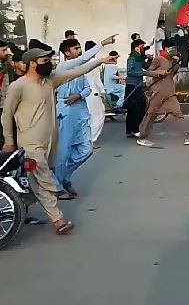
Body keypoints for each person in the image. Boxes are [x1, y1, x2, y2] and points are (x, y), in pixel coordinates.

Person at [3, 47, 117, 235]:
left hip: (50, 141)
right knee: (44, 178)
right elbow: (6, 116)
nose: (48, 63)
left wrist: (100, 61)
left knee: (35, 181)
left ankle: (22, 209)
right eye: (43, 60)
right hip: (30, 143)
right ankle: (58, 218)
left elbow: (76, 71)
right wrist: (9, 141)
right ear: (32, 63)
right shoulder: (19, 86)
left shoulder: (50, 81)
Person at [53, 35, 116, 198]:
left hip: (80, 110)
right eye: (75, 48)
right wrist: (102, 43)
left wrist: (79, 95)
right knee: (63, 151)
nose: (79, 51)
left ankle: (63, 177)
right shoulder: (63, 67)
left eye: (79, 47)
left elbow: (87, 89)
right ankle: (57, 185)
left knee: (86, 149)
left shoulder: (80, 72)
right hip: (65, 111)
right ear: (67, 53)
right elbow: (84, 60)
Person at [136, 43, 189, 148]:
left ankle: (187, 137)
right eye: (172, 48)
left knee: (177, 113)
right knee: (151, 114)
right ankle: (142, 137)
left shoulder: (171, 60)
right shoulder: (158, 59)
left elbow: (172, 74)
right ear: (166, 48)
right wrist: (160, 72)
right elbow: (148, 72)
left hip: (169, 92)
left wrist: (177, 62)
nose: (174, 50)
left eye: (175, 48)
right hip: (158, 92)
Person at [124, 38, 152, 138]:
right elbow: (130, 71)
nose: (143, 48)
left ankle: (129, 131)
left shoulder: (139, 58)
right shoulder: (131, 58)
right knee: (138, 107)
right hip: (132, 85)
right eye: (141, 46)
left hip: (138, 85)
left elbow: (146, 66)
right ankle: (134, 130)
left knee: (133, 108)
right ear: (136, 48)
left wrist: (150, 59)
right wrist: (143, 73)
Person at [83, 41, 107, 149]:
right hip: (94, 92)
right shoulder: (94, 63)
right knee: (99, 117)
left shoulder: (83, 62)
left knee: (89, 117)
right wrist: (103, 92)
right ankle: (92, 140)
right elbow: (97, 80)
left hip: (85, 93)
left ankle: (86, 139)